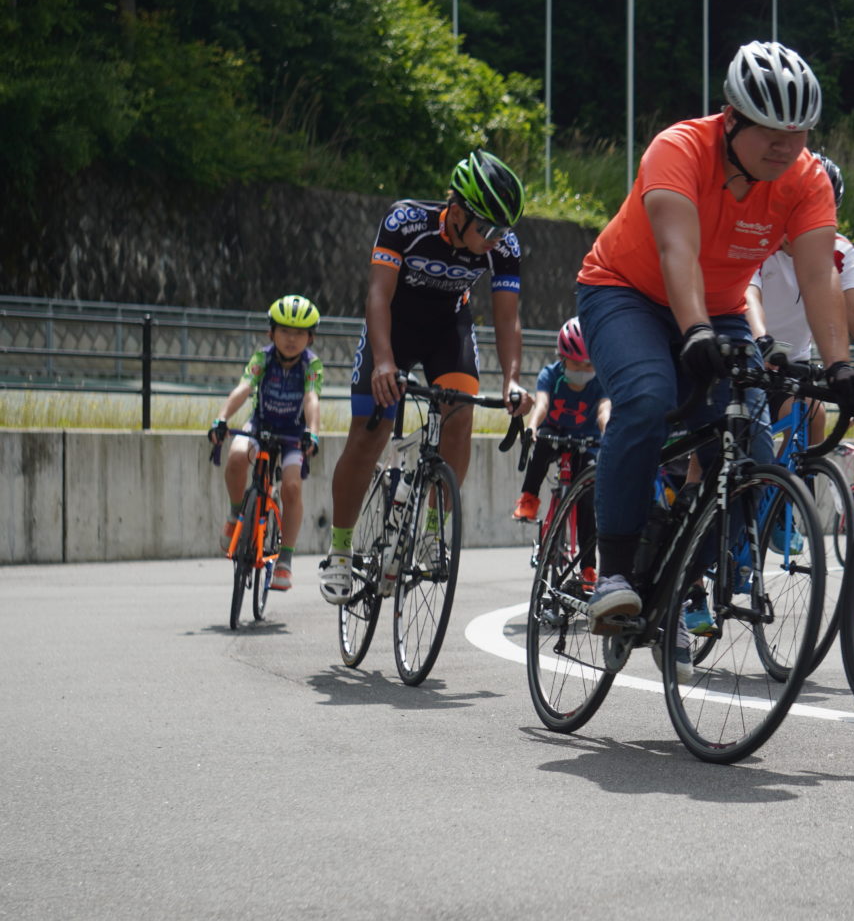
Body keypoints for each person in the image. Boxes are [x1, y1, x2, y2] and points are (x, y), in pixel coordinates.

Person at [575, 39, 854, 674]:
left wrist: (841, 368)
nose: (787, 148)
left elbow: (821, 278)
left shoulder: (806, 178)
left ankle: (682, 577)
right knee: (648, 397)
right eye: (771, 134)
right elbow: (677, 252)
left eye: (799, 133)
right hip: (625, 291)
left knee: (751, 451)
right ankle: (614, 574)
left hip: (719, 307)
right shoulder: (679, 148)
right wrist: (697, 331)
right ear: (731, 118)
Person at [319, 150, 533, 604]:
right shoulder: (405, 223)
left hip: (447, 330)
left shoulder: (503, 247)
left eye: (503, 231)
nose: (496, 240)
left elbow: (507, 320)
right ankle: (339, 550)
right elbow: (378, 294)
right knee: (370, 432)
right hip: (392, 327)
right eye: (488, 229)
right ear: (457, 212)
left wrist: (511, 380)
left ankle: (433, 530)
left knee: (460, 415)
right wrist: (382, 362)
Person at [746, 152, 854, 443]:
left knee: (812, 415)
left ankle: (795, 487)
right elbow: (748, 294)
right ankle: (695, 483)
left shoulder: (840, 252)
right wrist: (761, 339)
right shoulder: (758, 238)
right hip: (749, 352)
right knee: (731, 434)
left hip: (792, 365)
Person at [208, 295, 324, 592]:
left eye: (299, 333)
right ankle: (236, 515)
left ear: (310, 337)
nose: (291, 339)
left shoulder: (312, 366)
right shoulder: (263, 357)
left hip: (293, 435)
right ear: (270, 332)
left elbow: (312, 399)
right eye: (284, 330)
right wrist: (222, 418)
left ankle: (284, 560)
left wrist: (312, 431)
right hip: (260, 425)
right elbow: (244, 387)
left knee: (292, 487)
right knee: (235, 458)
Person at [513, 317, 610, 531]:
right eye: (576, 363)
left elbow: (604, 410)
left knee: (586, 493)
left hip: (586, 439)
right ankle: (529, 498)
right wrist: (533, 426)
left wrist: (609, 431)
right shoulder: (550, 375)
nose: (583, 371)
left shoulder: (601, 380)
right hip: (554, 432)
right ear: (563, 358)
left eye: (589, 364)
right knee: (541, 449)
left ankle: (587, 564)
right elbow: (542, 405)